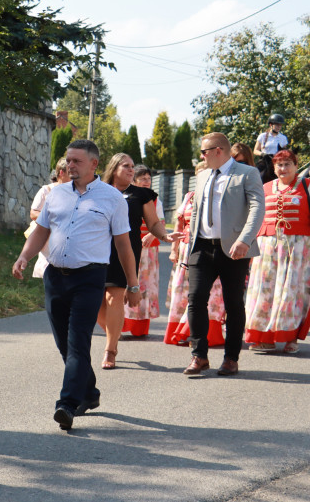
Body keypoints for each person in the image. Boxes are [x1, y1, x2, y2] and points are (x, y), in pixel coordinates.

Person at [12, 139, 140, 432]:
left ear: (94, 164)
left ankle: (67, 404)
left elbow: (123, 245)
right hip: (55, 277)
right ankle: (90, 393)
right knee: (64, 344)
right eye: (68, 161)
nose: (70, 166)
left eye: (76, 161)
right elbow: (41, 230)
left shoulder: (112, 199)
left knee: (78, 341)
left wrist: (132, 284)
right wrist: (23, 257)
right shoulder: (55, 195)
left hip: (90, 277)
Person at [182, 132, 265, 377]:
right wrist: (190, 246)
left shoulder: (247, 173)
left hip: (234, 249)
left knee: (233, 303)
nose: (201, 156)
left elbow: (257, 208)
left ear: (218, 151)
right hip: (202, 247)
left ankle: (231, 358)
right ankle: (199, 356)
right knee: (195, 300)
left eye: (204, 152)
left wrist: (245, 240)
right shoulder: (202, 175)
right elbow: (196, 212)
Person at [96, 154, 171, 369]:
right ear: (114, 167)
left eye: (132, 167)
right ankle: (114, 332)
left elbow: (153, 222)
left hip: (125, 251)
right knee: (95, 305)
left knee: (114, 298)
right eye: (126, 166)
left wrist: (164, 236)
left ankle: (110, 350)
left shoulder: (141, 195)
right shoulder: (97, 190)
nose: (131, 170)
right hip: (95, 251)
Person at [244, 150, 310, 353]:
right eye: (279, 165)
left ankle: (291, 338)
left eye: (288, 164)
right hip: (266, 247)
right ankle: (265, 337)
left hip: (297, 247)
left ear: (296, 166)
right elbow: (253, 217)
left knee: (292, 290)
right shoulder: (264, 188)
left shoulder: (306, 186)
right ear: (274, 168)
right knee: (264, 290)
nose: (283, 169)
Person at [163, 164, 227, 348]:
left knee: (208, 292)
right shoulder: (189, 196)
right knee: (184, 292)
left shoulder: (220, 196)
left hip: (209, 249)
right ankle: (183, 331)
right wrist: (174, 249)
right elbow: (179, 223)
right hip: (185, 250)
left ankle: (202, 334)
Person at [121, 164, 165, 337]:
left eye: (149, 178)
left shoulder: (154, 199)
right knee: (125, 283)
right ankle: (120, 325)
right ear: (134, 181)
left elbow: (159, 222)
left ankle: (140, 328)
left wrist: (152, 235)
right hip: (128, 247)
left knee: (145, 287)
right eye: (143, 179)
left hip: (148, 251)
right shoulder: (126, 197)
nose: (147, 182)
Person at [30, 158, 70, 279]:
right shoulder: (46, 190)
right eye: (70, 172)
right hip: (47, 239)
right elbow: (33, 213)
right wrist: (52, 217)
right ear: (61, 173)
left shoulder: (75, 193)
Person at [254, 113, 288, 183]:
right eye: (277, 125)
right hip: (265, 160)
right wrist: (263, 154)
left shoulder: (283, 138)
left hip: (277, 161)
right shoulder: (262, 136)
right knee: (256, 175)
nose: (279, 127)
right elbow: (255, 150)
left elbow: (284, 152)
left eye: (280, 125)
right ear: (271, 125)